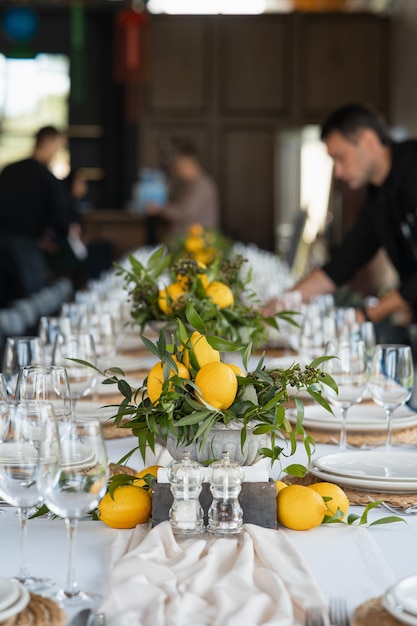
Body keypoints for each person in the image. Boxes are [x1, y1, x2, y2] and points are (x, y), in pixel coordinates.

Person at [266, 102, 417, 327]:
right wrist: (277, 306)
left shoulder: (413, 167)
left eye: (340, 157)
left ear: (368, 141)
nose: (337, 172)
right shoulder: (378, 194)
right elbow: (344, 262)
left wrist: (368, 315)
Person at [0, 125, 70, 305]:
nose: (58, 151)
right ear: (46, 142)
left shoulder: (10, 170)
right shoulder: (45, 176)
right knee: (33, 303)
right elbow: (59, 214)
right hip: (27, 245)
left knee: (10, 304)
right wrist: (55, 237)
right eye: (58, 146)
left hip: (3, 242)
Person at [146, 142, 219, 238]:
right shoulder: (190, 184)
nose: (177, 172)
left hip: (196, 243)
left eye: (178, 167)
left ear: (189, 164)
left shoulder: (202, 186)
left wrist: (159, 209)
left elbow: (185, 212)